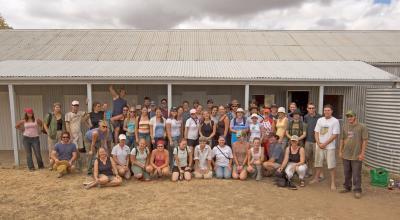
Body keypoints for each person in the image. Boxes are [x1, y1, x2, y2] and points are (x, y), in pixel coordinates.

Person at [339, 110, 368, 199]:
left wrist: (362, 153)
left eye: (351, 116)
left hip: (356, 155)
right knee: (346, 172)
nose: (349, 118)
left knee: (356, 174)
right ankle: (347, 187)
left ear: (355, 116)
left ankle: (357, 190)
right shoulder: (345, 126)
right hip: (346, 154)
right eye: (348, 116)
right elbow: (342, 140)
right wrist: (340, 151)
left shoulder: (362, 127)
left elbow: (365, 140)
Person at [310, 104, 340, 190]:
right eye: (325, 110)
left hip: (329, 147)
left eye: (328, 110)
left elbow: (335, 135)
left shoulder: (335, 121)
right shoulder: (320, 120)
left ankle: (333, 183)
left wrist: (325, 143)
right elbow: (316, 132)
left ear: (331, 111)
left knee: (331, 165)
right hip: (319, 145)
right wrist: (318, 142)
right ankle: (316, 178)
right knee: (318, 163)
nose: (326, 112)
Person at [65, 100, 90, 170]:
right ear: (71, 106)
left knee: (79, 148)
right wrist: (69, 135)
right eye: (74, 105)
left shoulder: (80, 113)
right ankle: (75, 163)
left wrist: (83, 119)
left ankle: (78, 164)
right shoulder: (68, 114)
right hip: (72, 135)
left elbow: (87, 114)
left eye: (76, 105)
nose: (75, 107)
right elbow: (67, 125)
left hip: (79, 134)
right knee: (74, 149)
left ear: (78, 106)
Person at [44, 102, 65, 170]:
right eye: (56, 107)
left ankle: (58, 164)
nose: (58, 108)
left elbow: (64, 125)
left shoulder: (62, 115)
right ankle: (51, 165)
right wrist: (48, 132)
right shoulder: (49, 115)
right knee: (51, 149)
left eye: (59, 107)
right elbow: (45, 124)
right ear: (54, 108)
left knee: (60, 149)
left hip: (60, 133)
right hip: (52, 134)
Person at [303, 102, 322, 178]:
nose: (311, 109)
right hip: (308, 140)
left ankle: (320, 173)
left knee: (317, 158)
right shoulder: (306, 117)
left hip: (317, 141)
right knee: (308, 157)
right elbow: (304, 128)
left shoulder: (320, 117)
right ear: (307, 109)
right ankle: (309, 171)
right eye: (309, 108)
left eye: (313, 108)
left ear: (315, 109)